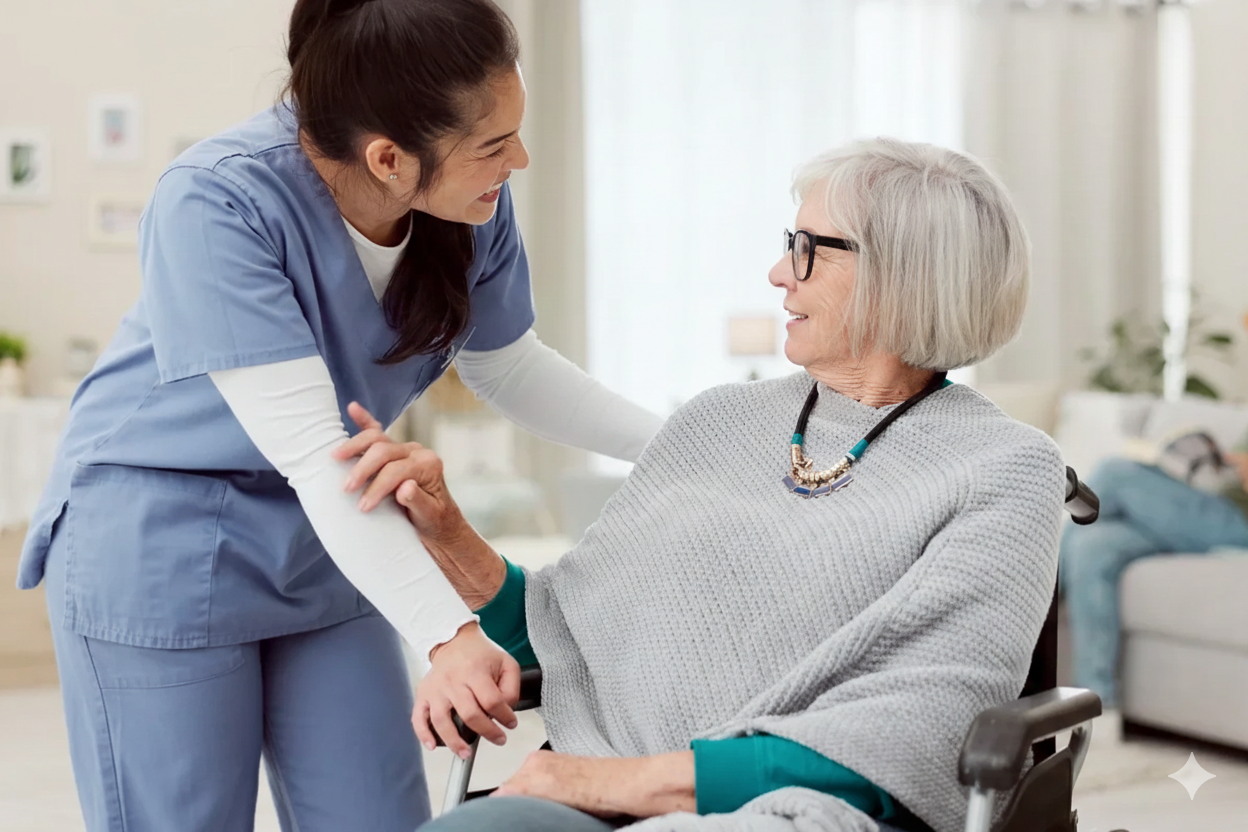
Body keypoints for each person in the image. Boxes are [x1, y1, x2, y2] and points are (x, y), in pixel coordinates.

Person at [15, 1, 660, 830]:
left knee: (374, 814)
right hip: (161, 539)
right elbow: (312, 447)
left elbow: (509, 366)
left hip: (336, 530)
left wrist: (677, 443)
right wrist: (447, 635)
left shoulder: (469, 209)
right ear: (389, 158)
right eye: (495, 146)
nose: (520, 161)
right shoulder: (217, 201)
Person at [341, 138, 1067, 832]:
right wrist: (447, 531)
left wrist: (616, 784)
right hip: (591, 779)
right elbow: (567, 640)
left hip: (808, 809)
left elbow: (920, 728)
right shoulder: (718, 420)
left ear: (903, 273)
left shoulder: (1004, 468)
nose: (779, 273)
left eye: (807, 249)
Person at [1059, 444, 1248, 712]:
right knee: (1089, 544)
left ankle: (1035, 603)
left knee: (1113, 470)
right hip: (1196, 503)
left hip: (1234, 521)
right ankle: (1097, 703)